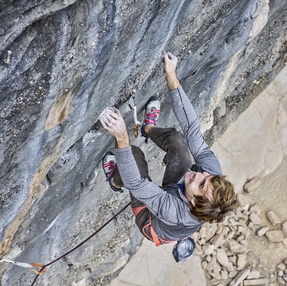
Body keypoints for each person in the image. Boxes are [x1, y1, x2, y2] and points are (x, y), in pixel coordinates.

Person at [99, 52, 238, 250]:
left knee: (133, 155)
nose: (200, 174)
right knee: (178, 142)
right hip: (178, 192)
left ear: (192, 203)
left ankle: (114, 179)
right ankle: (148, 129)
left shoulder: (176, 212)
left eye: (201, 185)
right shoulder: (210, 173)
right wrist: (171, 74)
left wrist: (121, 136)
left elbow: (136, 184)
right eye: (207, 178)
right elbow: (191, 128)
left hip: (151, 221)